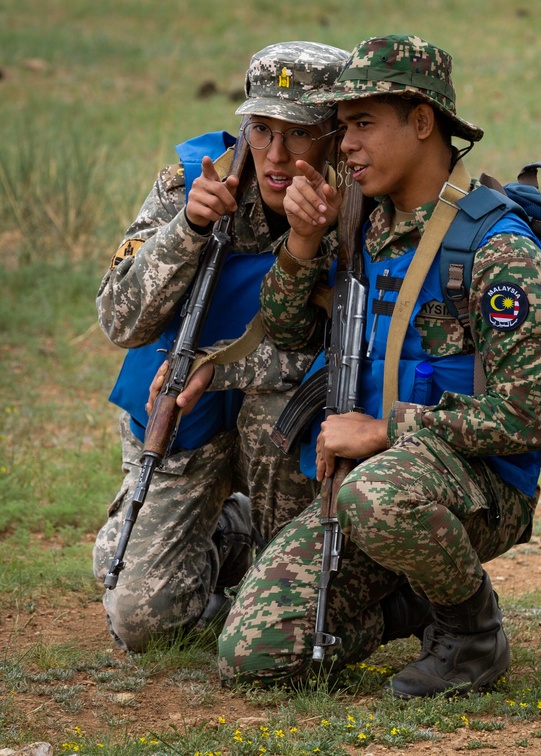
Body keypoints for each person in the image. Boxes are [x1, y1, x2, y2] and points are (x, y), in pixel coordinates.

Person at [217, 34, 541, 698]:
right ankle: (414, 599)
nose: (344, 145)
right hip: (373, 487)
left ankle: (471, 634)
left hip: (475, 488)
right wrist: (303, 243)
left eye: (364, 124)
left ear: (423, 121)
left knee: (378, 495)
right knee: (253, 655)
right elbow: (288, 334)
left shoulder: (496, 249)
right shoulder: (362, 226)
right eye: (343, 127)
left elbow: (526, 419)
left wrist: (387, 432)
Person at [92, 41, 350, 652]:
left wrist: (226, 370)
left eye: (300, 133)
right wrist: (188, 229)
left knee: (287, 614)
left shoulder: (362, 206)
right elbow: (118, 320)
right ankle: (228, 536)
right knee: (141, 620)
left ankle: (268, 555)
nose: (276, 156)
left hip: (284, 430)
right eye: (261, 130)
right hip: (187, 421)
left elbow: (348, 354)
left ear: (336, 135)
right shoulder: (193, 179)